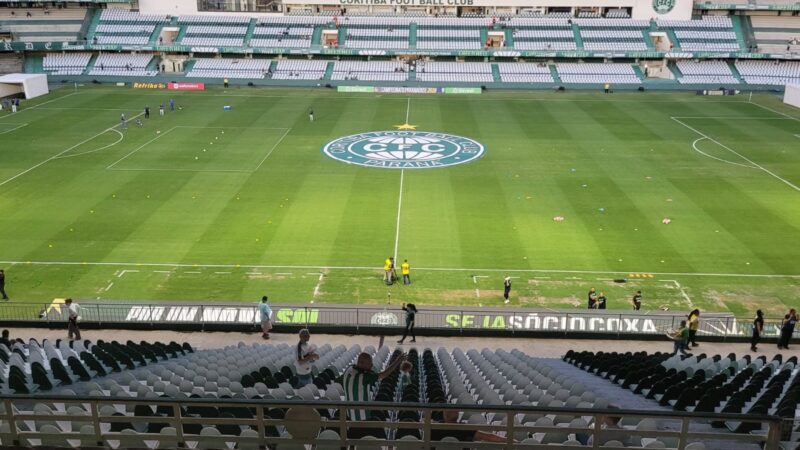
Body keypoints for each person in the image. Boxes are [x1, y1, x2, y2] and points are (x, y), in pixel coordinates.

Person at [343, 351, 405, 433]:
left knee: (353, 436)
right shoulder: (363, 377)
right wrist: (397, 361)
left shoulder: (348, 369)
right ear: (361, 363)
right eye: (369, 363)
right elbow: (383, 375)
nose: (372, 365)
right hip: (362, 417)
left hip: (350, 414)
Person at [431, 409, 510, 447]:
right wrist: (510, 441)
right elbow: (488, 437)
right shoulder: (465, 428)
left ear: (444, 415)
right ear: (458, 415)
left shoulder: (434, 428)